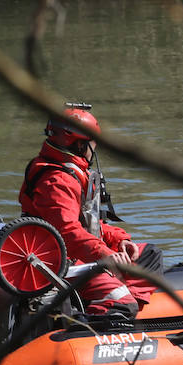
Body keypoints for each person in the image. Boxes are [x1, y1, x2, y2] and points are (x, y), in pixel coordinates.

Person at [19, 104, 158, 318]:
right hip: (61, 263)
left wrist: (120, 240)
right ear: (80, 144)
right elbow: (67, 233)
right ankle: (105, 314)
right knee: (121, 303)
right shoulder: (57, 181)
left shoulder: (69, 171)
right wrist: (105, 254)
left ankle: (124, 307)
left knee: (150, 254)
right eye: (93, 143)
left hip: (82, 253)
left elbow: (87, 223)